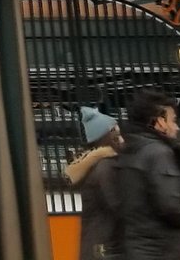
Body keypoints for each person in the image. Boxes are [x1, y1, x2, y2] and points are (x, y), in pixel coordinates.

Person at [117, 89, 180, 260]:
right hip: (162, 250)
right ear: (160, 122)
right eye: (173, 121)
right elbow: (170, 204)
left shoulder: (130, 151)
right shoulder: (158, 153)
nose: (176, 127)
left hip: (136, 248)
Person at [68, 106, 124, 260]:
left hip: (96, 247)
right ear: (106, 138)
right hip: (107, 249)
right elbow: (118, 206)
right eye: (117, 136)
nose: (122, 140)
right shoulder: (106, 167)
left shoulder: (94, 166)